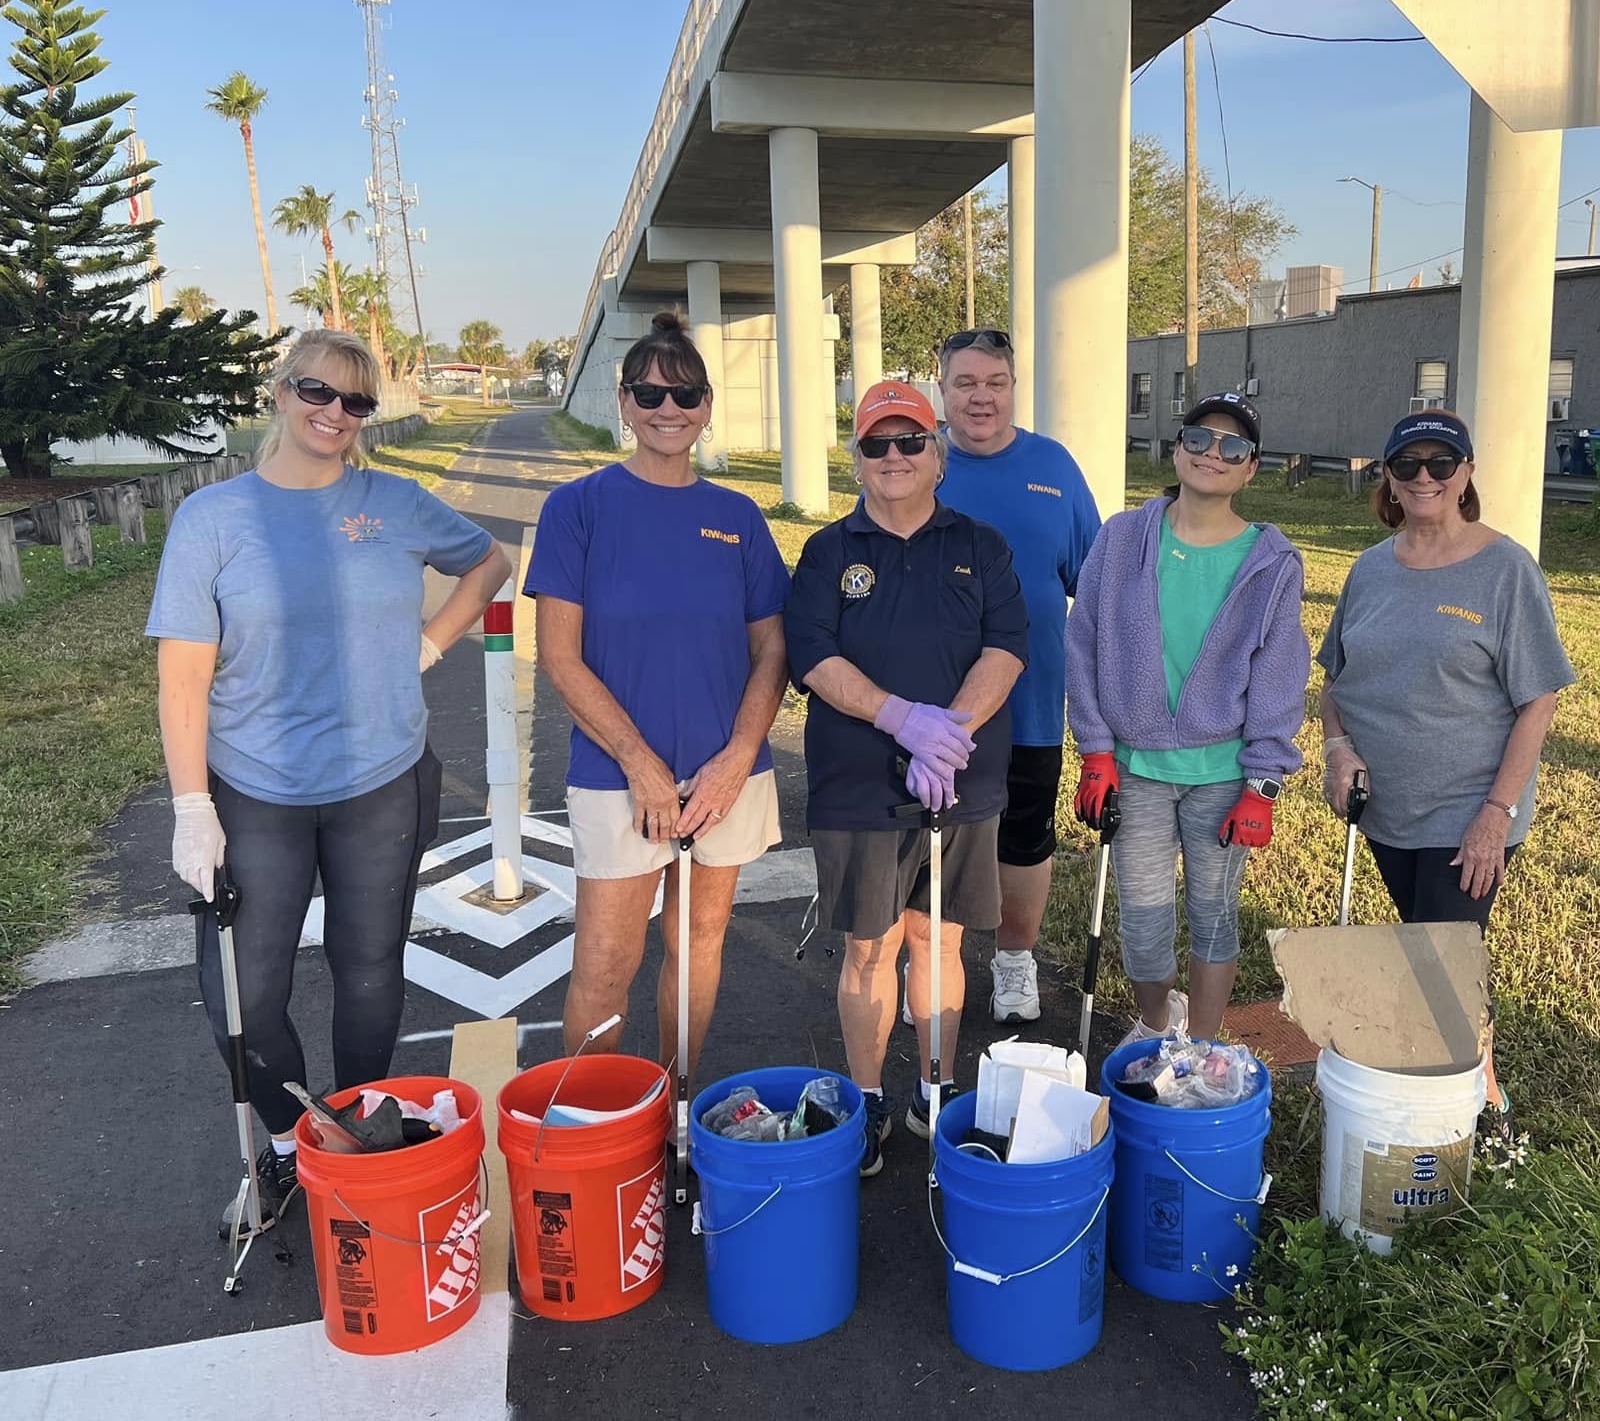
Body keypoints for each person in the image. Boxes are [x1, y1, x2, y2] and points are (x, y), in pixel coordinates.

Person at [150, 328, 511, 1232]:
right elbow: (183, 677)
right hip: (255, 785)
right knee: (244, 992)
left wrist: (431, 644)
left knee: (368, 966)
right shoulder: (214, 518)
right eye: (317, 391)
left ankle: (359, 1132)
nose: (334, 414)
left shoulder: (394, 502)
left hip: (381, 777)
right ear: (279, 391)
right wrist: (193, 807)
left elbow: (488, 562)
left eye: (356, 402)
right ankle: (286, 1142)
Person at [526, 311, 791, 1077]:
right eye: (649, 395)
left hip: (722, 776)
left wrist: (739, 756)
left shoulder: (736, 517)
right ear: (624, 403)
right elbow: (559, 657)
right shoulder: (577, 508)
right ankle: (589, 1126)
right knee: (607, 965)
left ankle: (677, 1111)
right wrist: (640, 763)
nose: (667, 411)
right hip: (619, 775)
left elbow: (772, 646)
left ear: (708, 407)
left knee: (697, 946)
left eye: (684, 397)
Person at [785, 381, 1027, 1176]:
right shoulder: (829, 551)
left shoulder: (981, 545)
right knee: (868, 946)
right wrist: (900, 721)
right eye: (875, 444)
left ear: (939, 454)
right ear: (857, 459)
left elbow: (1007, 647)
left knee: (940, 936)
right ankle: (867, 1101)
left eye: (910, 441)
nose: (893, 457)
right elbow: (813, 656)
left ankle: (934, 1086)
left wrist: (946, 735)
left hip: (958, 781)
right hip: (857, 785)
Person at [1316, 409, 1576, 1137]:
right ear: (1389, 480)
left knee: (1443, 961)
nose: (1424, 477)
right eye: (1408, 465)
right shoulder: (1371, 568)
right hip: (1385, 806)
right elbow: (1335, 677)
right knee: (1427, 951)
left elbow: (1538, 700)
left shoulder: (1506, 569)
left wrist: (1497, 811)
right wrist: (1338, 748)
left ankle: (1480, 1112)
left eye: (1441, 463)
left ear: (1466, 474)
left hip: (1468, 811)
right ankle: (1450, 1094)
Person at [1065, 391, 1308, 1042]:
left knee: (1214, 915)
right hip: (1137, 768)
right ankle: (1155, 1023)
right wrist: (1094, 752)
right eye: (1199, 439)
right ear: (1178, 449)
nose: (1213, 454)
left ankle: (1200, 1043)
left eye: (1233, 447)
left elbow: (1280, 677)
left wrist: (1263, 785)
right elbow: (1082, 641)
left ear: (1251, 467)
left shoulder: (1272, 562)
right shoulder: (1121, 539)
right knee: (1142, 919)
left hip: (1223, 774)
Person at [934, 327, 1100, 1025]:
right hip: (932, 708)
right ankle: (934, 969)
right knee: (932, 840)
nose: (980, 397)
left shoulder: (1053, 466)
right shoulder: (915, 458)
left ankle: (1013, 966)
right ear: (941, 390)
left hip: (1029, 703)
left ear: (1011, 389)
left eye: (993, 383)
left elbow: (1093, 584)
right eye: (965, 384)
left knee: (1023, 839)